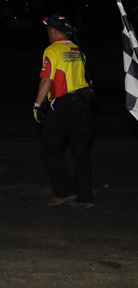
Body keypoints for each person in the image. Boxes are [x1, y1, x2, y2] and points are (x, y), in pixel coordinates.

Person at [34, 14, 94, 209]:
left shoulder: (52, 50)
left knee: (49, 146)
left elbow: (47, 79)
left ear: (53, 31)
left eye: (48, 31)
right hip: (84, 103)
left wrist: (37, 105)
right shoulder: (78, 49)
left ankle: (64, 192)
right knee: (80, 149)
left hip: (64, 104)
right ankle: (85, 197)